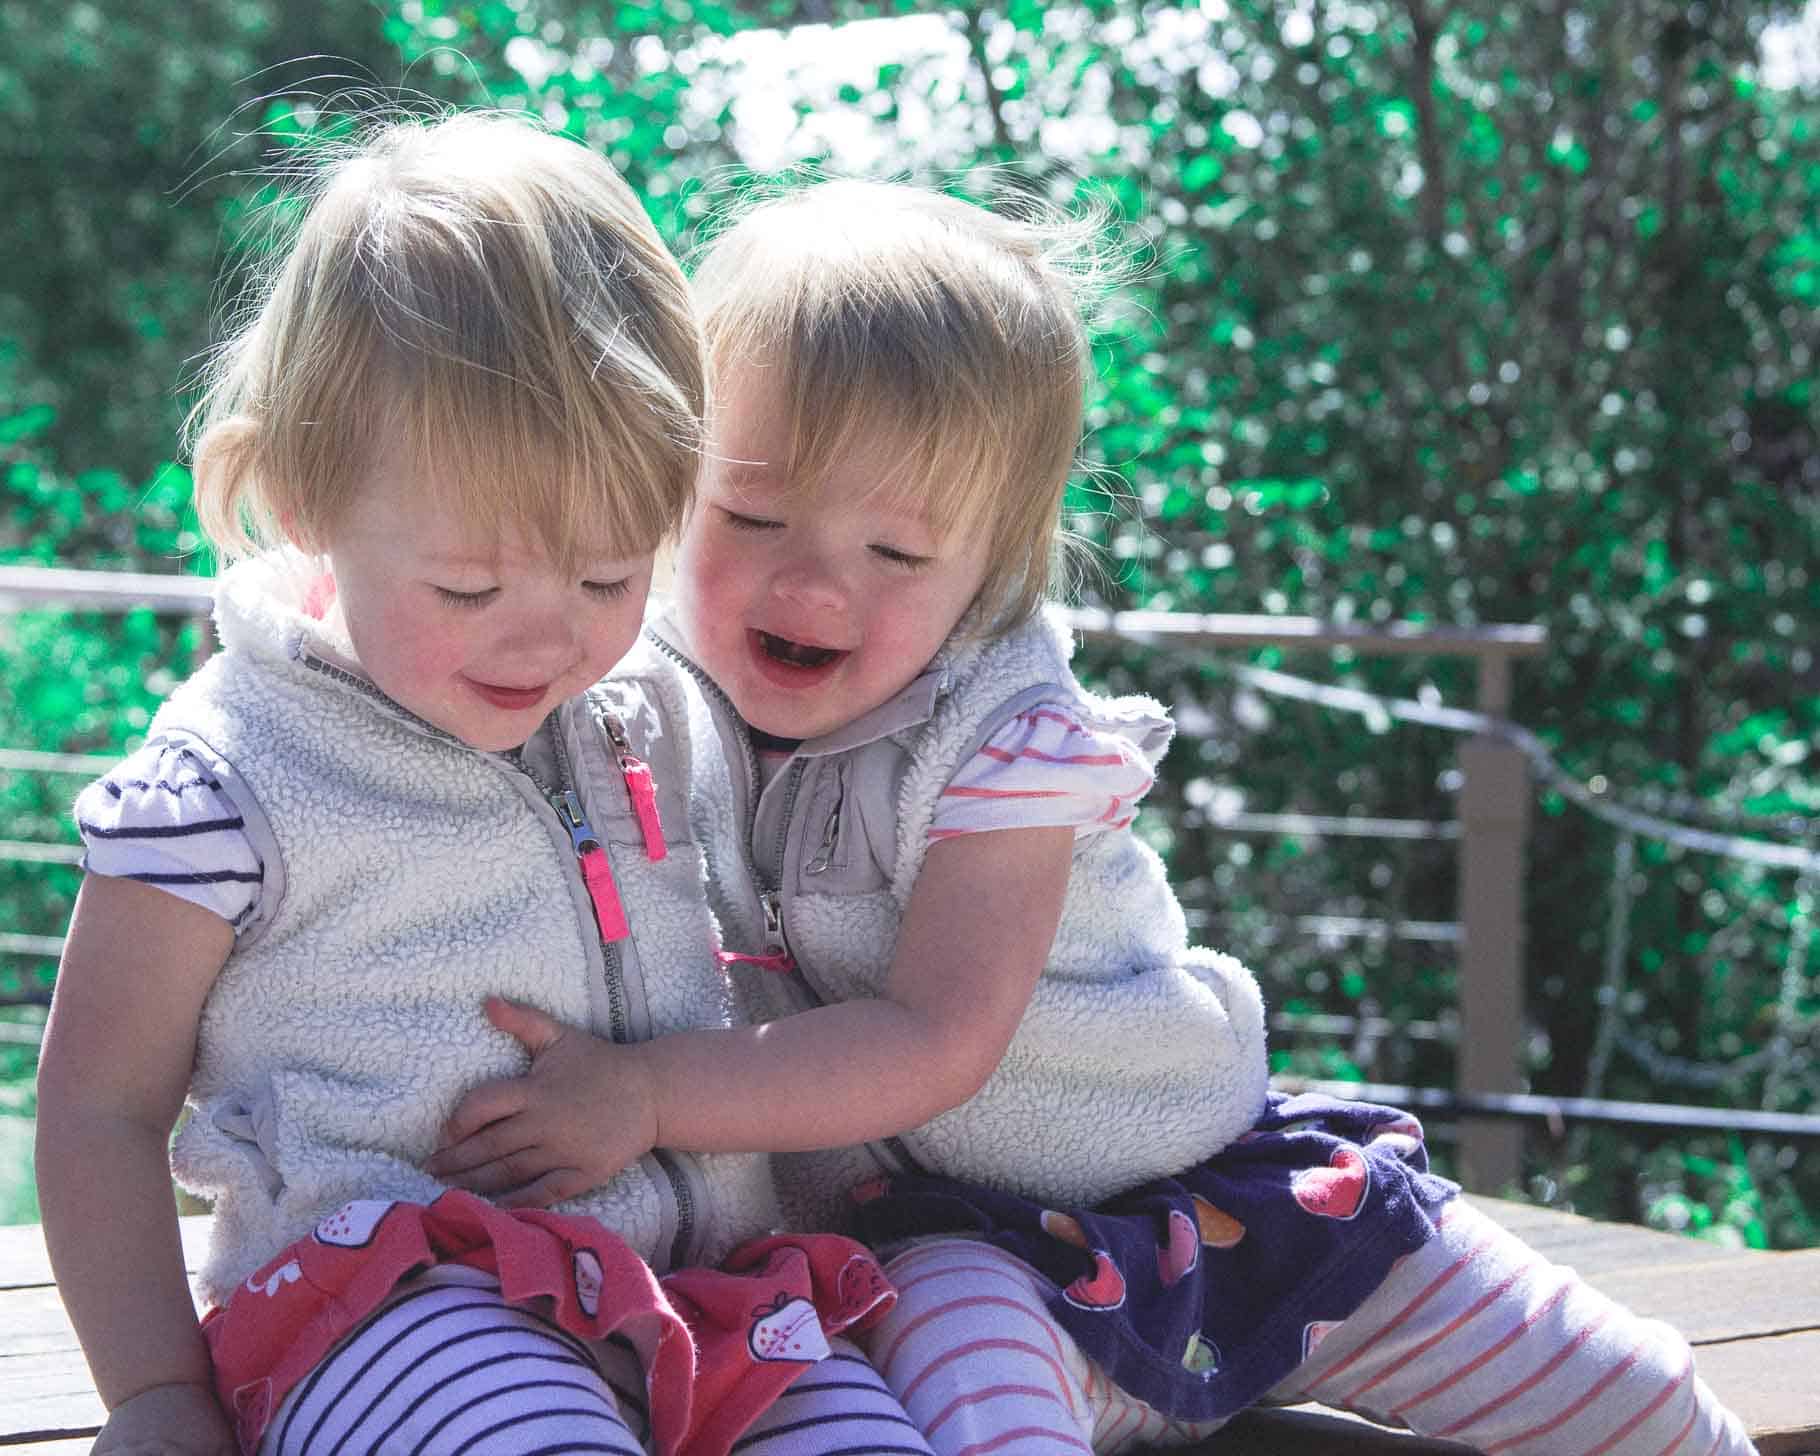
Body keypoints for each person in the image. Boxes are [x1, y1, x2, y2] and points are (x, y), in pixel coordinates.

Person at [428, 179, 1758, 1454]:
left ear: (996, 561)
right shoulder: (637, 699)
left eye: (897, 552)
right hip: (963, 1254)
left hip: (1228, 1206)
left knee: (1622, 1392)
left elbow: (936, 1036)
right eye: (756, 513)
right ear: (670, 490)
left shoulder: (1003, 737)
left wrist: (650, 1094)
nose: (816, 586)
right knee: (964, 1404)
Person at [32, 119, 927, 1456]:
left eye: (613, 577)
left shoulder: (662, 712)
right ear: (300, 491)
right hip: (399, 1309)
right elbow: (98, 1103)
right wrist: (156, 1397)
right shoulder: (233, 777)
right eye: (467, 587)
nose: (547, 638)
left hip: (708, 1295)